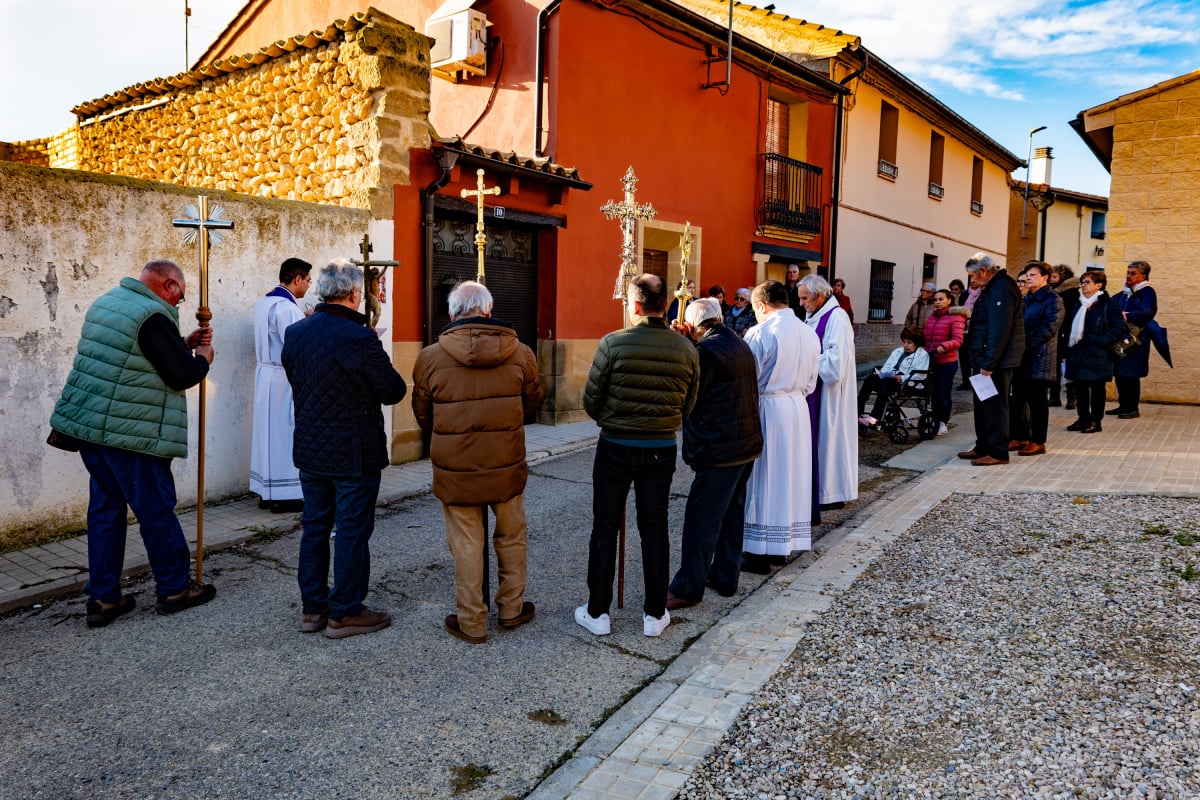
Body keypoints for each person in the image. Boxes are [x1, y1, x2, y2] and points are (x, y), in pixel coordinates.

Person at [49, 259, 216, 627]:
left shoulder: (110, 301)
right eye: (181, 298)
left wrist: (180, 342)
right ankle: (174, 589)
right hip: (132, 435)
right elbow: (180, 374)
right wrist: (201, 359)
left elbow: (134, 354)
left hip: (90, 429)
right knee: (155, 510)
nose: (178, 305)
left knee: (105, 512)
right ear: (170, 285)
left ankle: (103, 598)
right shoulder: (153, 316)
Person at [282, 259, 408, 639]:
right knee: (351, 530)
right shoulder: (359, 338)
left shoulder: (296, 333)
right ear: (355, 294)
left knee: (315, 528)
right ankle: (346, 610)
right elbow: (393, 390)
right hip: (353, 450)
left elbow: (298, 379)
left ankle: (312, 609)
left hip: (311, 447)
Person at [412, 281, 544, 644]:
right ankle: (511, 609)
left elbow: (423, 413)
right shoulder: (521, 353)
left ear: (452, 314)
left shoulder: (431, 356)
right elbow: (532, 402)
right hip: (506, 461)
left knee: (467, 543)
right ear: (488, 311)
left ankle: (471, 622)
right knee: (512, 536)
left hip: (457, 468)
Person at [576, 274, 699, 638]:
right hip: (660, 446)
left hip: (616, 444)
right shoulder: (686, 349)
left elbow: (590, 400)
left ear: (635, 306)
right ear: (666, 305)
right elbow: (689, 403)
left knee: (605, 526)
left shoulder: (614, 343)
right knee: (655, 527)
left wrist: (615, 421)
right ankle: (655, 612)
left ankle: (597, 611)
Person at [665, 299, 762, 609]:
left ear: (694, 327)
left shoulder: (706, 352)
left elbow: (688, 394)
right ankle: (724, 575)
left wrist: (682, 349)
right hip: (744, 443)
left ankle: (688, 588)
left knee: (701, 520)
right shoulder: (735, 340)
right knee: (732, 514)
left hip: (720, 447)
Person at [741, 281, 820, 573]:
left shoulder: (761, 332)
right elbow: (812, 381)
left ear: (762, 305)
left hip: (769, 408)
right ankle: (782, 545)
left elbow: (749, 377)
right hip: (798, 409)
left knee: (765, 476)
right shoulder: (809, 333)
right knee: (790, 477)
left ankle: (758, 551)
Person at [250, 257, 311, 513]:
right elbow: (297, 346)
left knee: (266, 435)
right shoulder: (287, 309)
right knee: (285, 434)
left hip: (266, 375)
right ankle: (284, 495)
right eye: (307, 280)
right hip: (284, 377)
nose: (309, 285)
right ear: (296, 279)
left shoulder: (264, 302)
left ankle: (266, 492)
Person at [796, 274, 858, 510]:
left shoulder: (837, 317)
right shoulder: (813, 315)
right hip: (815, 391)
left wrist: (805, 355)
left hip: (831, 396)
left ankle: (832, 493)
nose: (801, 304)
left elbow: (835, 365)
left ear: (819, 295)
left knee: (829, 441)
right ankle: (818, 491)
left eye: (804, 298)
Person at [957, 253, 1024, 466]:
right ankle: (983, 446)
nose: (971, 281)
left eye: (972, 276)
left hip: (996, 362)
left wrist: (989, 362)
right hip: (984, 357)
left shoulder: (1002, 288)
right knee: (983, 404)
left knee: (995, 407)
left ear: (983, 271)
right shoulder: (991, 288)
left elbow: (999, 329)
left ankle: (997, 451)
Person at [1007, 262, 1063, 457]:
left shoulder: (1053, 299)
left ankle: (1038, 440)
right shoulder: (1026, 299)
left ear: (1045, 277)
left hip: (1040, 357)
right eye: (1027, 275)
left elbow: (1050, 327)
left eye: (1032, 275)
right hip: (1021, 357)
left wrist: (1024, 343)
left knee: (1038, 402)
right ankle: (1019, 436)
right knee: (1018, 400)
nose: (1028, 278)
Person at [1064, 270, 1127, 434]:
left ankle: (1095, 421)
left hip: (1100, 354)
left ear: (1099, 285)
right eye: (1082, 282)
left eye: (1087, 282)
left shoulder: (1108, 304)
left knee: (1097, 389)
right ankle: (1082, 418)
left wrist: (1100, 340)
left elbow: (1119, 327)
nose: (1083, 285)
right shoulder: (1078, 303)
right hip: (1079, 352)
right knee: (1081, 388)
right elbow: (1070, 328)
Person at [1108, 260, 1158, 419]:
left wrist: (1126, 315)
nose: (1128, 276)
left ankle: (1132, 408)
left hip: (1137, 339)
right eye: (1128, 272)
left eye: (1133, 273)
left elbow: (1147, 312)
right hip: (1122, 337)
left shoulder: (1147, 292)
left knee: (1131, 373)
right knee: (1120, 371)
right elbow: (1111, 303)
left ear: (1143, 276)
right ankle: (1123, 405)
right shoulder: (1125, 292)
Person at [858, 327, 930, 427]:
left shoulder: (922, 355)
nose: (905, 345)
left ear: (917, 342)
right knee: (870, 379)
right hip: (890, 379)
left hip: (906, 384)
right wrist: (880, 373)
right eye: (904, 342)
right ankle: (858, 411)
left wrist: (903, 378)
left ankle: (874, 417)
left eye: (909, 343)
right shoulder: (898, 351)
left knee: (886, 382)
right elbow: (887, 366)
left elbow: (921, 374)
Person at [924, 289, 964, 436]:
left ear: (949, 300)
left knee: (943, 393)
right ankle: (935, 421)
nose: (937, 302)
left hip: (947, 362)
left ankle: (943, 423)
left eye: (941, 299)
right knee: (933, 394)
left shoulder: (956, 317)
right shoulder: (933, 316)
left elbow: (958, 340)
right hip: (932, 360)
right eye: (935, 300)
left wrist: (944, 346)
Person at [1052, 265, 1080, 408]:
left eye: (1055, 276)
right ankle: (1055, 397)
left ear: (1063, 277)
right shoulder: (1058, 291)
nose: (1052, 279)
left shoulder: (1069, 293)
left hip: (1067, 333)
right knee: (1057, 365)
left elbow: (1068, 316)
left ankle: (1071, 397)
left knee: (1065, 365)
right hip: (1060, 332)